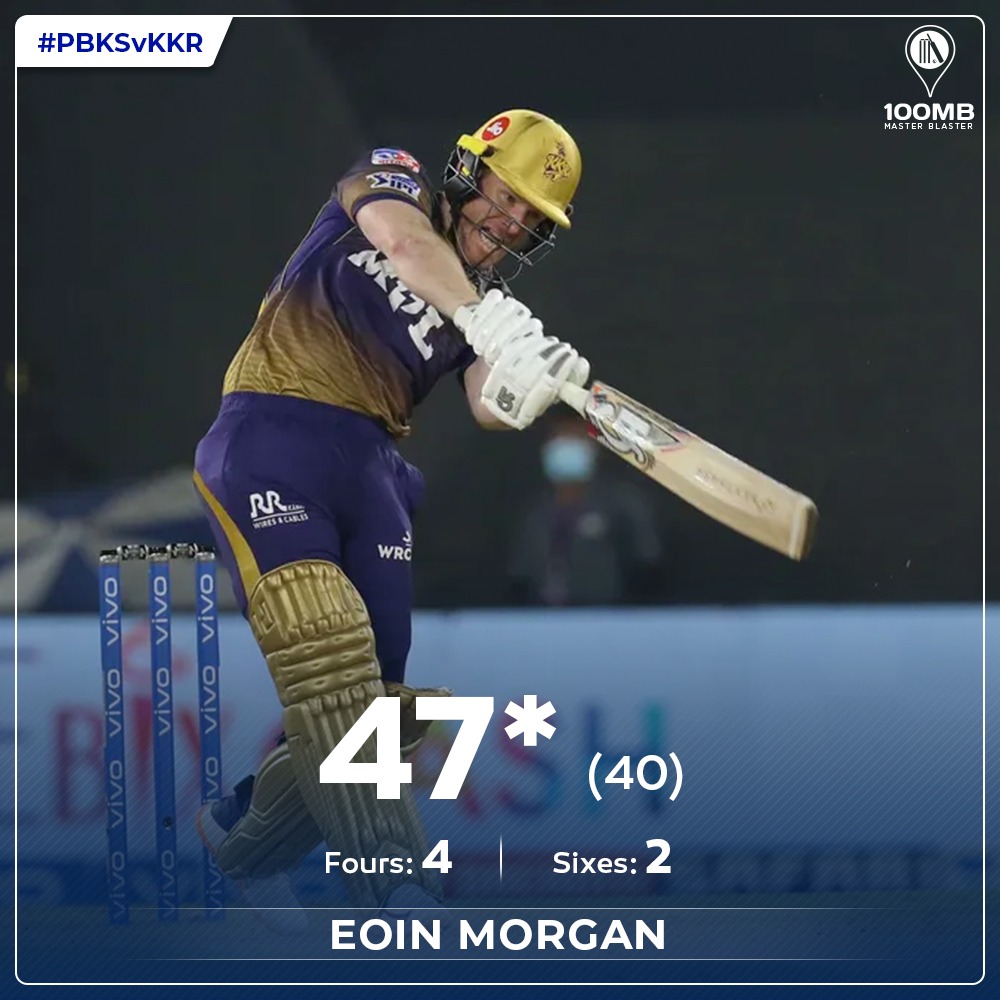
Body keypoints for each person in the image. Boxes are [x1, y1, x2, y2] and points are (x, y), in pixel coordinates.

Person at [191, 109, 589, 928]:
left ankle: (244, 837)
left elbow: (487, 405)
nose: (508, 222)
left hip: (370, 468)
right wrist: (484, 319)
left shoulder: (485, 299)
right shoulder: (395, 179)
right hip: (273, 435)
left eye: (529, 218)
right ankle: (397, 882)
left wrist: (535, 380)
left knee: (384, 709)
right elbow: (405, 245)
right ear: (466, 172)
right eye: (503, 195)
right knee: (328, 649)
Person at [506, 411, 665, 606]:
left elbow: (647, 566)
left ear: (595, 447)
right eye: (561, 436)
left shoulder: (624, 504)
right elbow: (520, 576)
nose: (567, 445)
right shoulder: (535, 512)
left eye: (575, 436)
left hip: (608, 616)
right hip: (542, 617)